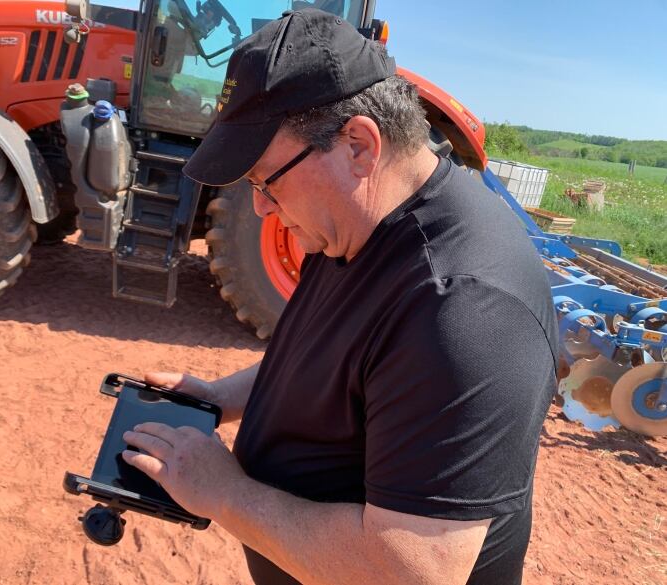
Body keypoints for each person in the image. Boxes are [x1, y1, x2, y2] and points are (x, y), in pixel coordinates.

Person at [121, 9, 558, 585]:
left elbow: (408, 572)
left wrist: (226, 494)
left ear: (359, 145)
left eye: (265, 180)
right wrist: (218, 398)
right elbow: (338, 356)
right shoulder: (357, 222)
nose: (259, 207)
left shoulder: (467, 310)